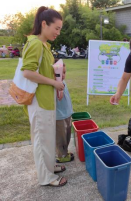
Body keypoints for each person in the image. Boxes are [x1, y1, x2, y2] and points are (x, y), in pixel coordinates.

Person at [21, 6, 67, 187]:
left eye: (60, 29)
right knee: (41, 140)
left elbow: (43, 71)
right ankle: (46, 177)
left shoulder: (44, 45)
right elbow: (27, 72)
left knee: (47, 137)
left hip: (46, 100)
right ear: (43, 24)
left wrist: (58, 74)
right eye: (56, 28)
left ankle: (50, 167)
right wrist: (55, 83)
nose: (58, 32)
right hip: (38, 101)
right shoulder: (35, 44)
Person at [55, 61, 74, 163]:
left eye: (64, 73)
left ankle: (64, 152)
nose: (62, 76)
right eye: (59, 74)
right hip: (59, 117)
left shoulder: (63, 82)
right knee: (60, 139)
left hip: (66, 114)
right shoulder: (52, 85)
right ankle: (61, 156)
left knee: (67, 135)